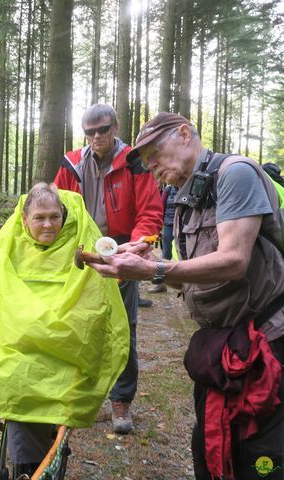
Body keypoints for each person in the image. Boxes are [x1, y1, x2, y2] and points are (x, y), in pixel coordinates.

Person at [86, 112, 284, 479]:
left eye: (155, 154)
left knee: (259, 459)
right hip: (223, 348)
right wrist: (148, 259)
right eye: (146, 163)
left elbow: (234, 262)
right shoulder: (185, 198)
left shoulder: (236, 175)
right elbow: (194, 278)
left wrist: (156, 271)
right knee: (210, 451)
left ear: (184, 134)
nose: (151, 166)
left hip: (265, 345)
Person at [0, 182, 129, 477]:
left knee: (60, 386)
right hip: (21, 347)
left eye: (54, 216)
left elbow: (95, 298)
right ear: (25, 219)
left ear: (63, 214)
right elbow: (1, 296)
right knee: (17, 384)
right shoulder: (11, 244)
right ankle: (29, 467)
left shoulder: (81, 240)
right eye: (39, 218)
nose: (48, 224)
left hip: (67, 348)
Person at [53, 103, 163, 434]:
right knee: (75, 322)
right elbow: (57, 208)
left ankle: (121, 400)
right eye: (90, 131)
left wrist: (138, 245)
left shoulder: (133, 162)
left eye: (103, 129)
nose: (96, 137)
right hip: (82, 253)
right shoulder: (71, 164)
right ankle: (75, 395)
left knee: (123, 326)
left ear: (115, 127)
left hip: (121, 252)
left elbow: (150, 211)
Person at [148, 184, 178, 293]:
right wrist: (159, 229)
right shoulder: (169, 189)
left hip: (185, 227)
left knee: (185, 256)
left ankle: (189, 287)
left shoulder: (189, 187)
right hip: (169, 225)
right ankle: (161, 284)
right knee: (165, 255)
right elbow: (161, 208)